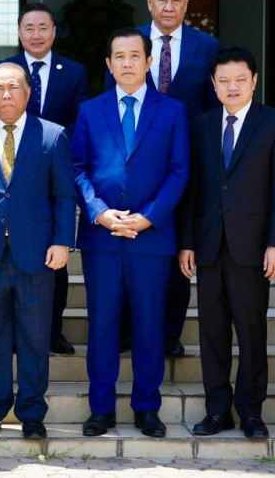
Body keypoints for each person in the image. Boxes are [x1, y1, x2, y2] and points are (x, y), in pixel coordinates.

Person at [72, 28, 190, 438]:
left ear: (148, 61)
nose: (127, 62)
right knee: (102, 326)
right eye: (119, 56)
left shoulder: (172, 111)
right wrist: (99, 213)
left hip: (151, 239)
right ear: (108, 64)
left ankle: (146, 407)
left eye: (134, 55)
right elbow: (78, 169)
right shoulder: (90, 111)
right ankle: (101, 409)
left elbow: (179, 171)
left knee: (149, 325)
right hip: (103, 239)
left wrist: (149, 217)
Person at [178, 46, 275, 439]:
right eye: (224, 80)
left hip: (253, 247)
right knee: (212, 333)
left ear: (254, 81)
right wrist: (187, 242)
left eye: (240, 80)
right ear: (213, 84)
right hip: (209, 246)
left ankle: (250, 412)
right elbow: (192, 188)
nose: (232, 87)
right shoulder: (200, 125)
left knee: (251, 331)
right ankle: (217, 410)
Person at [0, 63, 75, 440]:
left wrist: (62, 241)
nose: (5, 95)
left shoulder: (52, 135)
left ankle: (32, 413)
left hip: (37, 254)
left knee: (35, 337)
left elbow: (64, 194)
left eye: (13, 87)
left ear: (27, 93)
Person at [108, 0, 221, 358]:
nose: (169, 7)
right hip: (131, 165)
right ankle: (126, 330)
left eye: (176, 0)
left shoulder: (208, 47)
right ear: (149, 2)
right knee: (127, 243)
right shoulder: (129, 43)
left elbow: (213, 109)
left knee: (176, 246)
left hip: (184, 163)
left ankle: (169, 332)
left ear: (186, 4)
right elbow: (111, 103)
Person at [0, 3, 87, 355]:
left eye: (43, 27)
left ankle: (52, 330)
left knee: (53, 257)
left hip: (55, 171)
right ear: (19, 32)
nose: (36, 34)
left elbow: (79, 120)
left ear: (54, 31)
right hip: (11, 175)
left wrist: (51, 149)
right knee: (12, 256)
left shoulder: (73, 72)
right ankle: (15, 331)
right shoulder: (2, 70)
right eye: (29, 28)